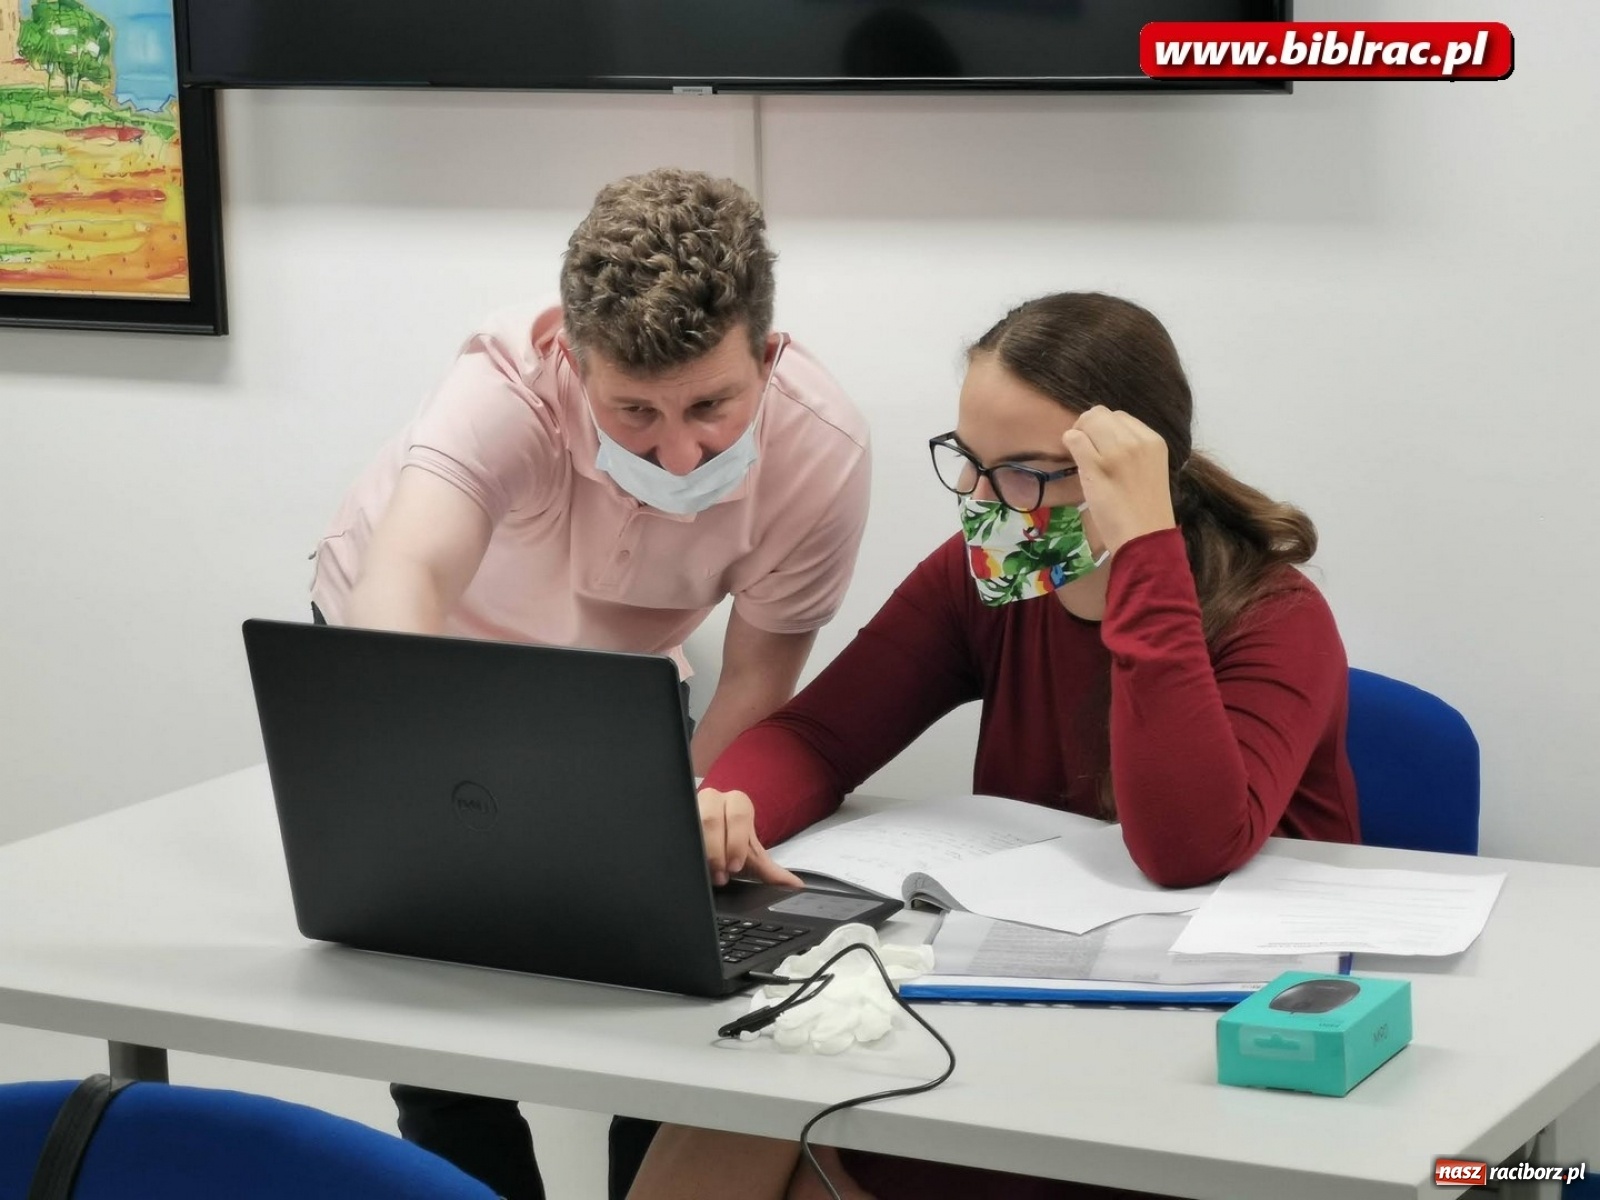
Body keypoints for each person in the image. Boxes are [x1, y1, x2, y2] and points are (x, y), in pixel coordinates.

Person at [630, 291, 1360, 1200]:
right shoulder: (994, 582)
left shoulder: (1276, 617)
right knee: (738, 1109)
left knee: (796, 1141)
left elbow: (1186, 848)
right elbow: (820, 736)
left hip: (1215, 1059)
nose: (982, 500)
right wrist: (724, 804)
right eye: (969, 462)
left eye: (1023, 471)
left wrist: (1145, 558)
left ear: (1137, 475)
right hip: (1023, 1003)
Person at [309, 168, 872, 1200]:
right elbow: (410, 580)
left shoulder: (822, 453)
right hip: (415, 650)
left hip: (610, 684)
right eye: (634, 411)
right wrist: (428, 810)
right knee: (435, 994)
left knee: (660, 978)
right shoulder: (504, 388)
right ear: (572, 362)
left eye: (712, 403)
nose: (679, 447)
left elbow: (756, 681)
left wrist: (674, 829)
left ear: (770, 355)